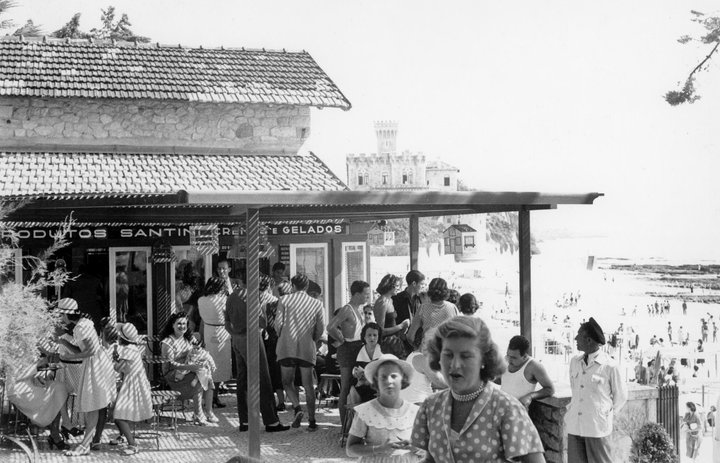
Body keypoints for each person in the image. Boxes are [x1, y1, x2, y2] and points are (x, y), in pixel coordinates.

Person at [412, 316, 545, 462]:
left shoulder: (508, 409)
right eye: (448, 355)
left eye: (466, 356)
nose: (455, 364)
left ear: (483, 360)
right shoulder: (430, 407)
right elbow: (431, 459)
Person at [225, 274, 289, 433]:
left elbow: (226, 322)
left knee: (242, 380)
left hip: (237, 340)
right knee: (263, 379)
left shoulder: (231, 296)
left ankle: (245, 421)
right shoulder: (252, 297)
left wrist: (236, 333)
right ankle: (271, 421)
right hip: (252, 337)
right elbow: (263, 322)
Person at [55, 298, 117, 456]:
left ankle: (85, 445)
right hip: (93, 365)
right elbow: (84, 349)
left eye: (61, 314)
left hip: (95, 367)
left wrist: (68, 358)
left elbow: (90, 351)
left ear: (67, 314)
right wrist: (64, 342)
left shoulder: (82, 326)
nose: (60, 318)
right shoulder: (81, 325)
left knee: (92, 406)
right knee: (93, 407)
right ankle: (86, 444)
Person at [566, 317, 628, 463]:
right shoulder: (575, 362)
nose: (575, 338)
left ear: (589, 340)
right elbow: (575, 389)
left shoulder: (609, 366)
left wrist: (604, 414)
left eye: (579, 335)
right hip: (575, 424)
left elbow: (621, 396)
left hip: (597, 427)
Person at [346, 354, 420, 463]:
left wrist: (416, 448)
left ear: (402, 380)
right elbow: (350, 449)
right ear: (376, 381)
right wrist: (379, 449)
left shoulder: (415, 412)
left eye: (394, 376)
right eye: (383, 377)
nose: (389, 381)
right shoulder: (366, 411)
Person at [275, 273, 326, 431]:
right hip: (306, 347)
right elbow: (320, 328)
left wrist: (282, 336)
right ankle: (312, 421)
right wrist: (313, 340)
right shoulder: (316, 304)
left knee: (287, 382)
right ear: (307, 287)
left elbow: (278, 324)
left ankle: (297, 407)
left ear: (292, 285)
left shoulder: (284, 300)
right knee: (308, 385)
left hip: (287, 346)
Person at [328, 280, 372, 426]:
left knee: (356, 385)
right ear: (357, 294)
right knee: (345, 387)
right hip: (348, 348)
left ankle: (353, 423)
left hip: (358, 348)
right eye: (365, 294)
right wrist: (341, 340)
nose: (368, 296)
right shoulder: (347, 309)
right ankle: (344, 425)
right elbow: (330, 327)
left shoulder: (358, 309)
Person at [160, 312, 216, 425]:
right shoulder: (168, 342)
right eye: (179, 324)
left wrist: (203, 362)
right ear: (173, 325)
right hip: (173, 373)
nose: (182, 326)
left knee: (208, 379)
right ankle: (198, 414)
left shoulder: (189, 338)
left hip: (190, 369)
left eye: (184, 324)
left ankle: (209, 411)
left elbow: (200, 351)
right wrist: (191, 367)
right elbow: (170, 364)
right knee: (198, 381)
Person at [110, 323, 153, 456]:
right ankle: (122, 436)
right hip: (134, 382)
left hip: (133, 385)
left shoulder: (128, 349)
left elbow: (119, 368)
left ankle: (133, 444)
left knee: (119, 416)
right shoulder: (132, 348)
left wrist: (113, 359)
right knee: (119, 412)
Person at [197, 276, 232, 408]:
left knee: (209, 366)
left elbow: (202, 318)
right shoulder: (223, 300)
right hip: (222, 331)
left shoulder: (201, 300)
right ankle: (214, 396)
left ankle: (209, 396)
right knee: (218, 367)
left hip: (208, 330)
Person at [500, 335, 555, 407]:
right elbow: (504, 381)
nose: (509, 360)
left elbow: (550, 389)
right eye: (508, 355)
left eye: (514, 358)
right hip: (500, 410)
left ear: (525, 356)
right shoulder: (506, 359)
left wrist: (530, 396)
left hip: (518, 413)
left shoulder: (534, 366)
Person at [406, 278, 459, 350]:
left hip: (428, 351)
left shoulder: (423, 308)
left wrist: (418, 348)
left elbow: (410, 336)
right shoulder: (452, 308)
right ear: (446, 291)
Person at [373, 274, 410, 359]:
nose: (399, 288)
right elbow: (380, 331)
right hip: (386, 345)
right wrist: (401, 326)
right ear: (390, 286)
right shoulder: (382, 302)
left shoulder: (390, 300)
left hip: (394, 342)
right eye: (397, 286)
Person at [349, 322, 384, 405]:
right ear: (364, 337)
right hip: (362, 385)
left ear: (378, 337)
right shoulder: (357, 351)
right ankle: (356, 415)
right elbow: (353, 371)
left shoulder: (384, 351)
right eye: (369, 335)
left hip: (378, 387)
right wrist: (356, 373)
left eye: (375, 335)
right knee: (352, 390)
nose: (372, 337)